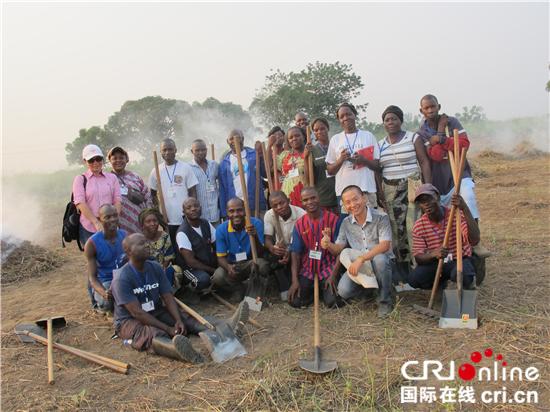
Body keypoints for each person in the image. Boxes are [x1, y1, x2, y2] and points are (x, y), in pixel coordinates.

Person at [111, 233, 249, 363]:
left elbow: (168, 296)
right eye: (141, 244)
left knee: (185, 318)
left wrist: (177, 320)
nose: (147, 245)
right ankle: (178, 351)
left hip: (155, 310)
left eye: (147, 242)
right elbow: (137, 313)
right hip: (130, 320)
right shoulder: (121, 278)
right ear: (128, 251)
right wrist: (167, 328)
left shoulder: (155, 268)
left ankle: (225, 324)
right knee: (151, 333)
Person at [321, 185, 394, 317]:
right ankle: (371, 290)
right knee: (343, 291)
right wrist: (328, 244)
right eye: (347, 202)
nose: (353, 204)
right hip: (362, 266)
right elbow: (338, 248)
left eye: (356, 199)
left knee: (380, 260)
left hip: (379, 261)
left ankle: (385, 301)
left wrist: (361, 258)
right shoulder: (345, 223)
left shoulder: (381, 217)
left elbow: (385, 245)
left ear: (364, 198)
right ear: (343, 205)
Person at [377, 106, 432, 278]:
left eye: (394, 118)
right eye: (387, 120)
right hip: (390, 191)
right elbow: (377, 170)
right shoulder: (380, 145)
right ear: (383, 123)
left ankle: (419, 267)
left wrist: (428, 188)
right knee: (395, 230)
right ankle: (402, 272)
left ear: (401, 120)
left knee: (413, 226)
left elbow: (424, 162)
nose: (391, 122)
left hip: (412, 188)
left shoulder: (413, 138)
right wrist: (380, 192)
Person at [409, 184, 480, 290]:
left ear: (437, 197)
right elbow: (419, 257)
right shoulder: (419, 226)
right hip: (437, 263)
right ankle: (441, 285)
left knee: (462, 274)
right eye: (422, 202)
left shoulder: (455, 215)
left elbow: (474, 239)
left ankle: (467, 283)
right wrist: (433, 254)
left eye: (429, 199)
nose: (426, 204)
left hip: (459, 260)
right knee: (414, 279)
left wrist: (464, 208)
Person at [288, 187, 341, 308]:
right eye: (306, 200)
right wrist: (295, 281)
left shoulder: (333, 219)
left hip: (328, 267)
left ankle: (325, 291)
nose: (310, 202)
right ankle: (313, 292)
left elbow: (341, 250)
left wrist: (333, 275)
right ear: (302, 202)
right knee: (295, 301)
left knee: (332, 303)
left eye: (313, 198)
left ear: (319, 198)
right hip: (308, 269)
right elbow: (295, 254)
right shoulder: (299, 224)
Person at [213, 198, 270, 301]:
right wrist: (228, 267)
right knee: (218, 276)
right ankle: (239, 289)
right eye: (231, 211)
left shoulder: (255, 224)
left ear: (245, 210)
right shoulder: (221, 229)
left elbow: (261, 252)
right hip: (233, 265)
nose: (235, 214)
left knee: (262, 265)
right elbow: (220, 258)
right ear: (227, 213)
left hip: (250, 262)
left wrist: (254, 236)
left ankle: (256, 294)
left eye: (239, 210)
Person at [326, 103, 380, 210]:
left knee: (370, 224)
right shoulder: (335, 139)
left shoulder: (368, 136)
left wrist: (363, 160)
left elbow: (378, 166)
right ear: (339, 120)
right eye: (342, 116)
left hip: (366, 190)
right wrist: (341, 159)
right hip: (344, 193)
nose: (346, 118)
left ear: (354, 115)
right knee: (348, 225)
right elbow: (330, 170)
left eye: (348, 114)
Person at [148, 138, 198, 248]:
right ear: (160, 152)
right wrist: (158, 214)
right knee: (172, 247)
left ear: (175, 150)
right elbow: (152, 194)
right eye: (164, 150)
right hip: (167, 219)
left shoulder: (185, 167)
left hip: (185, 218)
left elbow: (193, 191)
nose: (167, 152)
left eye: (170, 149)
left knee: (187, 246)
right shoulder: (156, 170)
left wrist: (191, 211)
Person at [73, 144, 121, 245]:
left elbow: (117, 200)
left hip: (110, 225)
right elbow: (80, 203)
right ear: (85, 161)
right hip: (89, 227)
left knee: (112, 255)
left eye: (98, 159)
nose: (95, 163)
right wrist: (96, 222)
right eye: (91, 160)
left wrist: (115, 220)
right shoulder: (80, 179)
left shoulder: (112, 178)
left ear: (102, 159)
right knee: (94, 257)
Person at [263, 191, 306, 300]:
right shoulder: (269, 215)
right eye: (275, 206)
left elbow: (304, 240)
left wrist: (291, 250)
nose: (279, 207)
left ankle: (295, 281)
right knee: (271, 257)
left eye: (282, 203)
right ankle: (284, 287)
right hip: (281, 249)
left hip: (297, 249)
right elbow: (267, 239)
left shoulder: (301, 214)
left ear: (288, 200)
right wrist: (273, 248)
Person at [84, 204, 127, 313]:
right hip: (106, 281)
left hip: (124, 278)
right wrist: (104, 293)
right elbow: (92, 279)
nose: (112, 219)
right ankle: (99, 304)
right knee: (107, 303)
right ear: (99, 219)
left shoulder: (125, 236)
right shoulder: (91, 243)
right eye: (107, 217)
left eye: (115, 216)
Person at [219, 130, 266, 219]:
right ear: (227, 141)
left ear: (243, 139)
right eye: (231, 139)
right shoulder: (224, 163)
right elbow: (222, 189)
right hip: (235, 206)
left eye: (238, 138)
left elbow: (264, 173)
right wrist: (224, 212)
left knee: (256, 228)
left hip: (254, 203)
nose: (234, 141)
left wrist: (262, 155)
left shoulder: (254, 155)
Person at [108, 146, 152, 234]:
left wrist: (149, 216)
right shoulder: (107, 180)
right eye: (115, 158)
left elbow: (147, 196)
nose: (118, 161)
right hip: (120, 227)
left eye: (121, 158)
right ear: (110, 161)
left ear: (127, 159)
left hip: (141, 223)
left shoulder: (135, 177)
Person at [176, 198, 216, 293]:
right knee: (203, 280)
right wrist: (213, 270)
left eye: (196, 206)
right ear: (184, 212)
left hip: (207, 263)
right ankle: (189, 289)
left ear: (201, 208)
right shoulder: (182, 232)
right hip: (191, 269)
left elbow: (216, 244)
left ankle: (213, 283)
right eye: (188, 208)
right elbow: (191, 262)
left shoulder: (206, 223)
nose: (193, 209)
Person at [139, 208, 180, 289]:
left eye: (155, 221)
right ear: (142, 224)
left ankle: (168, 292)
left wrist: (161, 270)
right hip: (147, 271)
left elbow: (168, 257)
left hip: (163, 267)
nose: (153, 224)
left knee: (176, 270)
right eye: (148, 221)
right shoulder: (139, 240)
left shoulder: (164, 236)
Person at [304, 117, 338, 213]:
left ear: (328, 128)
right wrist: (306, 158)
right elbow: (308, 178)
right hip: (323, 198)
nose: (319, 132)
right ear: (313, 133)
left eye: (322, 128)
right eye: (316, 130)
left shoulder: (336, 145)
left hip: (340, 195)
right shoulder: (312, 151)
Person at [189, 139, 220, 226]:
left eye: (203, 150)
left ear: (206, 150)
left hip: (215, 214)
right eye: (197, 150)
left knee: (216, 238)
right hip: (200, 216)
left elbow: (221, 182)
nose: (201, 152)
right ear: (192, 151)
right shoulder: (188, 168)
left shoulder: (214, 165)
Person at [276, 127, 308, 207]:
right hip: (287, 198)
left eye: (297, 136)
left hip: (306, 196)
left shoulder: (309, 153)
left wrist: (306, 156)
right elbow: (270, 168)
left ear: (303, 136)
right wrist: (269, 146)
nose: (294, 139)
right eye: (290, 137)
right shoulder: (285, 155)